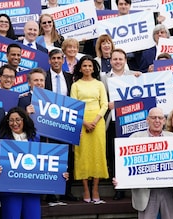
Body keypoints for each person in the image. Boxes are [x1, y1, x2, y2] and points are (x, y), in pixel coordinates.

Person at [101, 48, 141, 201]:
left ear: (125, 61)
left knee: (131, 152)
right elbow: (100, 97)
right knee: (114, 154)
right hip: (113, 120)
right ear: (110, 61)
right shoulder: (104, 78)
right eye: (115, 59)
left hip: (132, 120)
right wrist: (107, 104)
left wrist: (140, 77)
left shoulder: (135, 76)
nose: (117, 62)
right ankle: (118, 187)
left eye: (120, 59)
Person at [0, 107, 42, 219]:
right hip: (10, 190)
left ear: (24, 120)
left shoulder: (35, 138)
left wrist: (59, 173)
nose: (14, 123)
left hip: (31, 189)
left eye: (18, 120)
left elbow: (43, 162)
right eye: (11, 120)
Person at [71, 55, 109, 204]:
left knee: (98, 153)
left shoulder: (99, 84)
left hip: (97, 121)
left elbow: (105, 104)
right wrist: (85, 122)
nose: (87, 68)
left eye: (90, 66)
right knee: (83, 154)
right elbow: (73, 106)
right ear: (80, 68)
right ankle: (86, 188)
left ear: (94, 68)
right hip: (81, 121)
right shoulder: (76, 85)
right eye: (84, 66)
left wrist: (95, 121)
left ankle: (95, 188)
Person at [129, 107, 173, 219]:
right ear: (147, 120)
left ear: (164, 121)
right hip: (146, 191)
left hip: (169, 190)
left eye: (160, 118)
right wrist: (122, 178)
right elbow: (126, 165)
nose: (157, 120)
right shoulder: (135, 138)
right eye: (153, 118)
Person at [44, 49, 77, 203]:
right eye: (54, 58)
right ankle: (51, 192)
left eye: (59, 58)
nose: (56, 61)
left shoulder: (70, 78)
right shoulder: (43, 77)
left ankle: (66, 191)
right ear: (49, 61)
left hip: (66, 124)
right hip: (48, 123)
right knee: (51, 157)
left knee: (67, 158)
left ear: (63, 60)